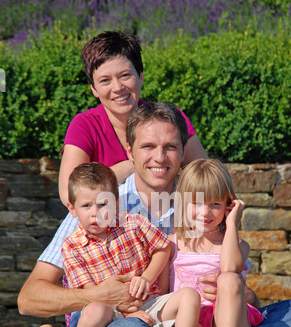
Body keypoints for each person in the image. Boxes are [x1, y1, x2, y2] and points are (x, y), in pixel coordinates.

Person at [19, 103, 291, 327]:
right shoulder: (99, 204)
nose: (160, 158)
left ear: (183, 151)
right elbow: (28, 299)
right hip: (118, 324)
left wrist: (241, 294)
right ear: (130, 151)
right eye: (148, 146)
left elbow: (236, 281)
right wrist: (95, 295)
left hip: (185, 321)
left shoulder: (200, 204)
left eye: (170, 147)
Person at [59, 162, 201, 327]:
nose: (95, 213)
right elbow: (93, 293)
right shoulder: (72, 246)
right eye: (86, 206)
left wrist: (147, 277)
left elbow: (163, 249)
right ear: (72, 209)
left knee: (189, 296)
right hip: (108, 311)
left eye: (103, 204)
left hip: (149, 302)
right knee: (92, 311)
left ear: (116, 201)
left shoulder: (132, 223)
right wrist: (126, 316)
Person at [157, 158, 264, 327]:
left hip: (228, 323)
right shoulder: (171, 244)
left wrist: (231, 223)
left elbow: (229, 267)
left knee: (227, 279)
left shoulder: (237, 245)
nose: (205, 213)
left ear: (228, 205)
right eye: (196, 203)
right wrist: (187, 316)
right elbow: (163, 295)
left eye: (215, 204)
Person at [58, 30, 206, 207]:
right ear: (94, 89)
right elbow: (69, 194)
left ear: (140, 77)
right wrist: (129, 167)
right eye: (105, 80)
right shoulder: (84, 126)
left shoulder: (170, 119)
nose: (118, 87)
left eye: (125, 75)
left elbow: (206, 180)